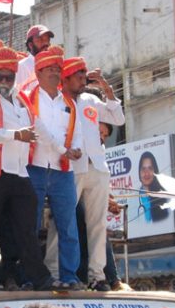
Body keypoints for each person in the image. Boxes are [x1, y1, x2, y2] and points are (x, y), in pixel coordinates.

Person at [0, 46, 62, 291]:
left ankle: (35, 277)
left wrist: (62, 150)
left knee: (25, 229)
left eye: (9, 77)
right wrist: (15, 135)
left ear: (15, 75)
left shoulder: (21, 99)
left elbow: (38, 127)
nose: (4, 82)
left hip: (19, 174)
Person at [60, 57, 125, 291]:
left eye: (84, 75)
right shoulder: (58, 100)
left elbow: (118, 118)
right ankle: (51, 270)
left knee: (97, 224)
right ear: (65, 78)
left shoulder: (91, 99)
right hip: (71, 168)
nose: (83, 80)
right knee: (63, 223)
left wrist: (105, 86)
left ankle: (97, 275)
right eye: (78, 76)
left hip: (97, 167)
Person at [25, 46, 85, 290]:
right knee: (29, 224)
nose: (54, 73)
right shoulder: (27, 99)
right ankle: (30, 277)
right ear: (38, 73)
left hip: (62, 171)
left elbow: (77, 131)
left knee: (68, 225)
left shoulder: (68, 103)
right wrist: (64, 150)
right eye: (49, 69)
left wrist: (77, 149)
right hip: (34, 167)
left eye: (57, 69)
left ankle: (69, 276)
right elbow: (39, 130)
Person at [16, 25, 55, 91]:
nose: (45, 43)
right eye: (40, 40)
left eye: (47, 40)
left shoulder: (54, 66)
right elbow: (20, 94)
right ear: (30, 45)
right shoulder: (23, 66)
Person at [138, 151, 170, 222]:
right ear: (139, 172)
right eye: (143, 169)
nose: (146, 173)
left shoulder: (164, 196)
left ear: (155, 171)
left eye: (150, 168)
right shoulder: (132, 199)